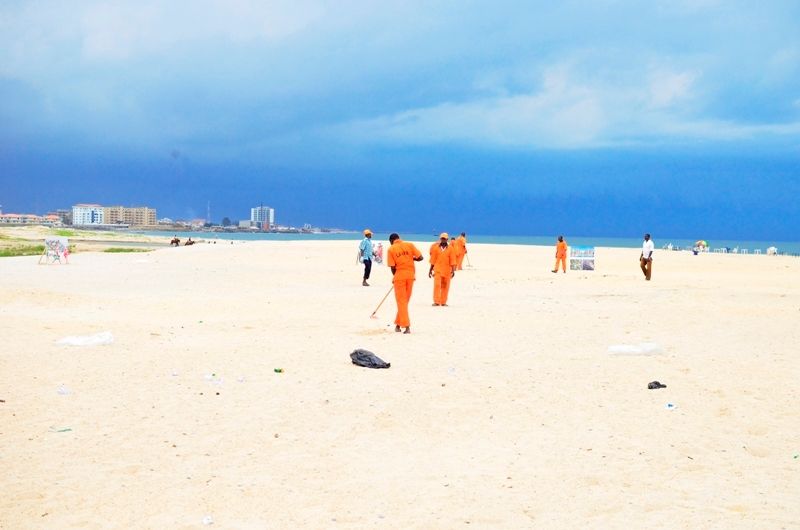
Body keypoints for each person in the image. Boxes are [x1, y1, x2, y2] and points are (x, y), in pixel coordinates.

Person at [386, 233, 423, 334]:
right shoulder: (409, 245)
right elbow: (420, 258)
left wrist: (395, 277)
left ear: (391, 241)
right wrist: (412, 258)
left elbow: (392, 267)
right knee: (404, 302)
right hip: (411, 276)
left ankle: (407, 326)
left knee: (401, 302)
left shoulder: (391, 249)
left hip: (400, 277)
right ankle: (398, 324)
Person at [429, 232, 457, 306]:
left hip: (447, 270)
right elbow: (433, 260)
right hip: (437, 269)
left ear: (447, 239)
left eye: (444, 238)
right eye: (442, 238)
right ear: (440, 239)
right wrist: (430, 270)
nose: (443, 240)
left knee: (445, 286)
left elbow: (453, 260)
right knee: (437, 286)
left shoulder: (450, 249)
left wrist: (453, 271)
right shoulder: (436, 248)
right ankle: (436, 301)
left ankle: (443, 302)